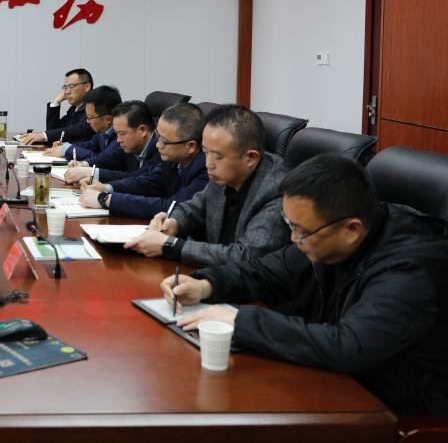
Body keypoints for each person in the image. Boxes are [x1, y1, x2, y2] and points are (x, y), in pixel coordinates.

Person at [162, 155, 448, 416]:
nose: (293, 240)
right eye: (290, 225)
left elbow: (349, 345)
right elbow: (264, 271)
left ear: (352, 230)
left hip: (390, 413)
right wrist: (206, 284)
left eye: (301, 231)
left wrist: (239, 320)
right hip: (330, 384)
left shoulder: (411, 270)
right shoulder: (328, 235)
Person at [123, 104, 288, 266]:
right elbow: (194, 208)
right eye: (205, 152)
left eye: (217, 156)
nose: (208, 163)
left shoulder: (277, 191)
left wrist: (172, 246)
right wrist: (172, 223)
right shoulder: (223, 175)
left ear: (251, 157)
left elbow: (247, 256)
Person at [78, 102, 208, 219]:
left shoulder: (206, 171)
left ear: (191, 146)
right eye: (158, 137)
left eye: (164, 141)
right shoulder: (173, 158)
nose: (158, 145)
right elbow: (145, 182)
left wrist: (106, 200)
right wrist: (106, 188)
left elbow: (172, 207)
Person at [61, 100, 159, 181]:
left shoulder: (160, 151)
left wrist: (91, 172)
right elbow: (110, 158)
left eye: (122, 133)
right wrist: (84, 164)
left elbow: (136, 179)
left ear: (143, 130)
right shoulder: (133, 146)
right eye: (117, 134)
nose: (118, 140)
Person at [17, 68, 95, 145]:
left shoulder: (95, 107)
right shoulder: (74, 109)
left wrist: (43, 135)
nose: (66, 92)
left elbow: (79, 130)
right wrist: (56, 102)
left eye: (71, 87)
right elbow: (53, 131)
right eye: (65, 87)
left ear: (87, 87)